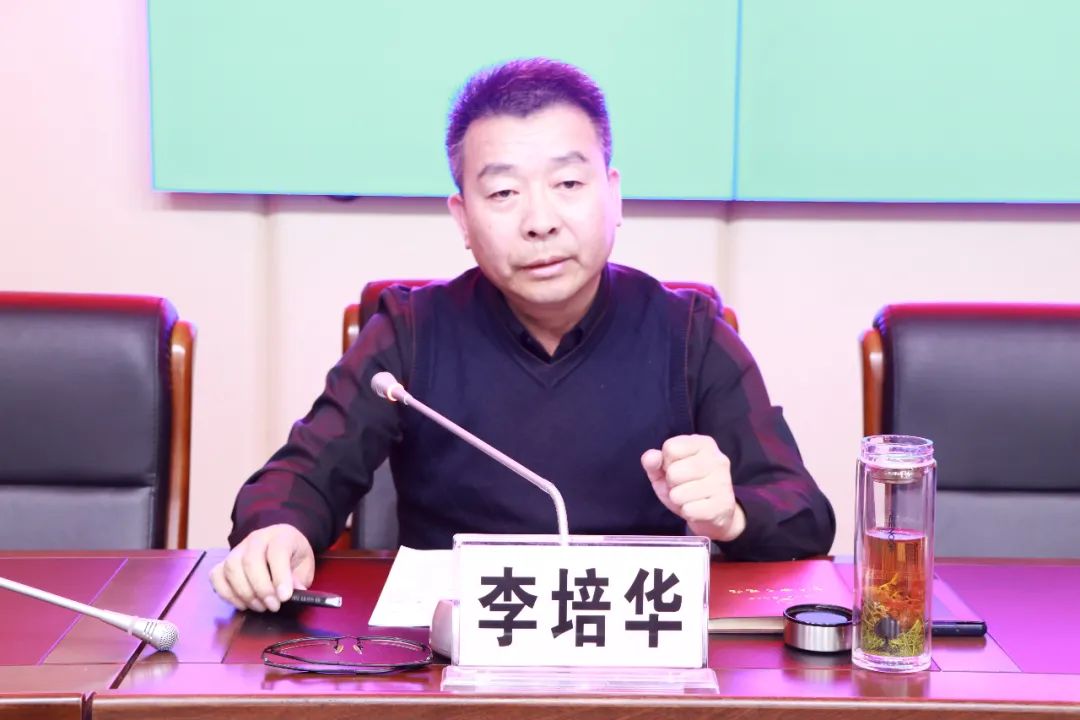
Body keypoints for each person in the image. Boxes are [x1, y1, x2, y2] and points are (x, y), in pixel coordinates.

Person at [211, 58, 835, 613]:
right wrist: (278, 531)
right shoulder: (410, 332)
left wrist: (732, 515)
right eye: (504, 192)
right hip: (449, 662)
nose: (540, 221)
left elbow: (804, 514)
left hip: (639, 658)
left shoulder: (690, 335)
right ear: (463, 218)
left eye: (568, 185)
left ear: (614, 196)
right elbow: (301, 477)